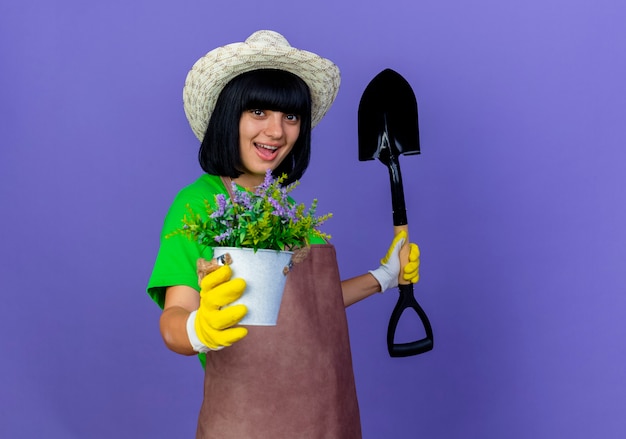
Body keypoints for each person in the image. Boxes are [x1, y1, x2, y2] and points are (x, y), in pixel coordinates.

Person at [147, 30, 420, 439]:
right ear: (228, 115)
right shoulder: (198, 205)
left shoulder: (288, 212)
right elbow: (174, 319)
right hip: (248, 422)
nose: (276, 132)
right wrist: (198, 330)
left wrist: (383, 276)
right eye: (259, 112)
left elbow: (313, 306)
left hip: (326, 416)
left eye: (290, 117)